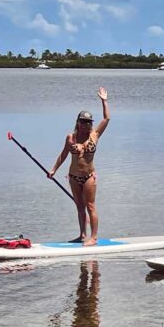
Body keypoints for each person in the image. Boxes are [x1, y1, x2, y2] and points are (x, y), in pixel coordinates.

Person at [49, 87, 110, 246]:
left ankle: (94, 238)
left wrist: (104, 101)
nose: (85, 125)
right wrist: (53, 170)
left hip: (89, 177)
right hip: (73, 177)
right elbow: (63, 154)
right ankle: (82, 235)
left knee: (90, 206)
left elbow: (107, 119)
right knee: (79, 207)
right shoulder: (71, 137)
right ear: (77, 122)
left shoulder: (95, 135)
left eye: (88, 122)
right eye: (83, 122)